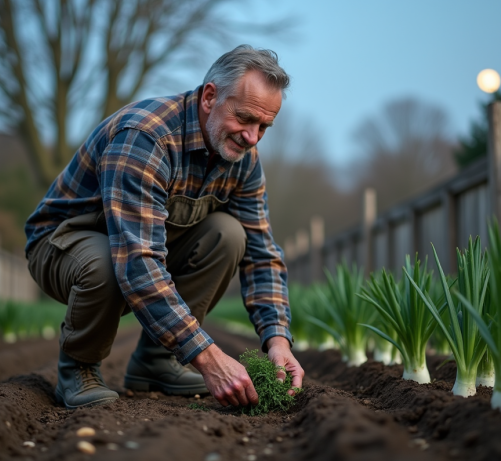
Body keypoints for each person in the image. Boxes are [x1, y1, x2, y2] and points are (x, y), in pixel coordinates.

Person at [24, 45, 304, 410]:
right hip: (63, 244)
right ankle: (78, 367)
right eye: (245, 118)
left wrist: (278, 340)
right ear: (209, 97)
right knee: (106, 261)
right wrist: (206, 356)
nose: (252, 137)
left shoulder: (243, 160)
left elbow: (261, 253)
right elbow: (137, 261)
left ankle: (156, 363)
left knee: (230, 235)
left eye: (263, 126)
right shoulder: (145, 137)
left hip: (135, 245)